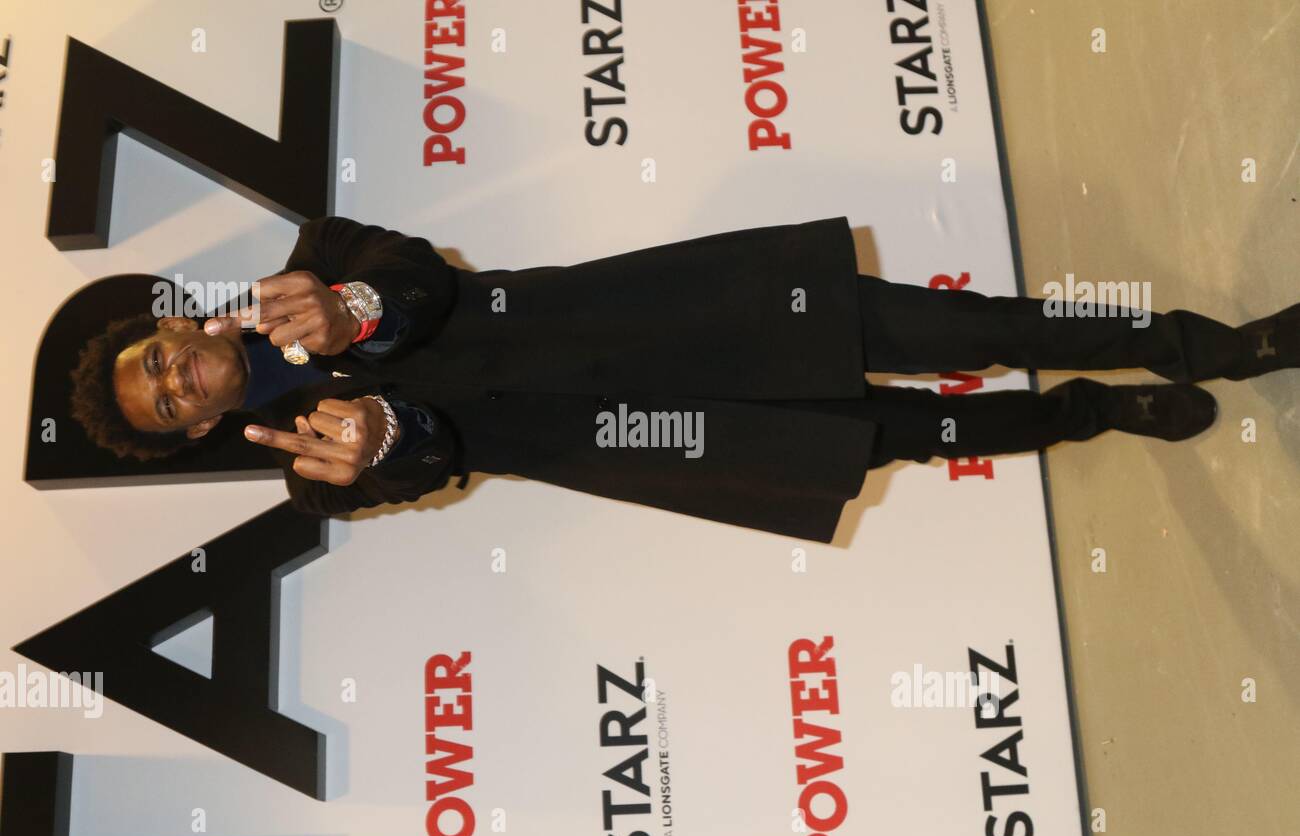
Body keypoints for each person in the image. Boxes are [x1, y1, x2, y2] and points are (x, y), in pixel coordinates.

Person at [69, 216, 1298, 542]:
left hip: (692, 311)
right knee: (914, 431)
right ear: (193, 430)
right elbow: (430, 451)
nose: (177, 379)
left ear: (170, 327)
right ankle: (1100, 411)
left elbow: (420, 281)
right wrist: (386, 428)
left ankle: (1206, 342)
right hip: (658, 433)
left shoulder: (320, 260)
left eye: (156, 358)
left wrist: (356, 310)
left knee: (969, 321)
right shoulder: (322, 478)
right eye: (167, 404)